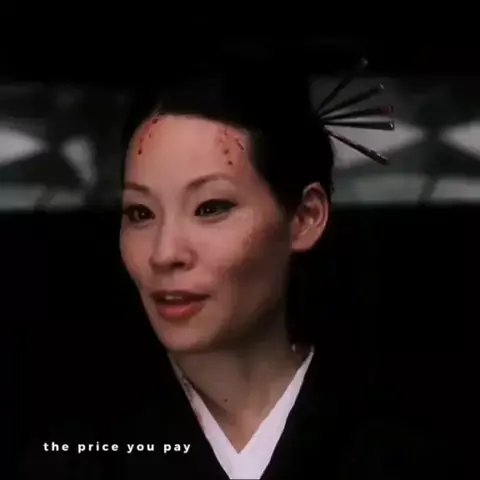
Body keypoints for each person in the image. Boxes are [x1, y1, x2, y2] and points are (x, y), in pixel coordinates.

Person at [20, 51, 460, 479]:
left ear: (305, 217)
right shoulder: (75, 459)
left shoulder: (403, 459)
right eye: (140, 213)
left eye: (211, 207)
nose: (164, 252)